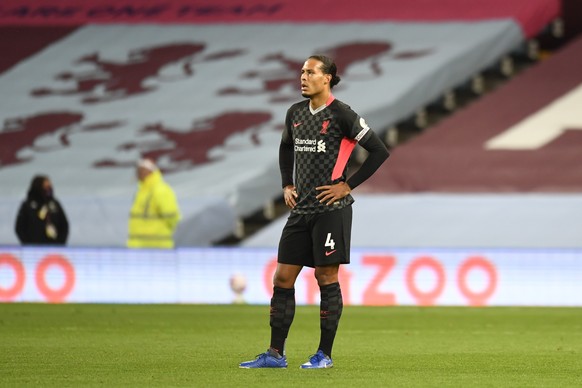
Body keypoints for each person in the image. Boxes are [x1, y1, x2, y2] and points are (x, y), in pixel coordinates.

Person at [240, 55, 389, 369]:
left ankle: (324, 354)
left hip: (330, 210)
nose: (303, 77)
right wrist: (286, 183)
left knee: (325, 276)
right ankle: (275, 354)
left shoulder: (342, 115)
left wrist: (348, 185)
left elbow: (379, 150)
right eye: (302, 72)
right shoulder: (295, 113)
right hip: (301, 209)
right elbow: (285, 147)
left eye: (310, 72)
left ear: (328, 78)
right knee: (282, 277)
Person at [127, 158, 181, 249]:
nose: (139, 173)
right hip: (140, 247)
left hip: (157, 247)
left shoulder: (160, 190)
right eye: (138, 170)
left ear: (150, 171)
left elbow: (172, 217)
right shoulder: (142, 191)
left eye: (142, 170)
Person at [15, 175, 69, 245]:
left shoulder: (54, 204)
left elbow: (64, 225)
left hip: (54, 248)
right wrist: (27, 244)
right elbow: (19, 227)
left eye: (49, 186)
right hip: (33, 248)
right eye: (46, 186)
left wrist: (60, 243)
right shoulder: (28, 205)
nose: (49, 189)